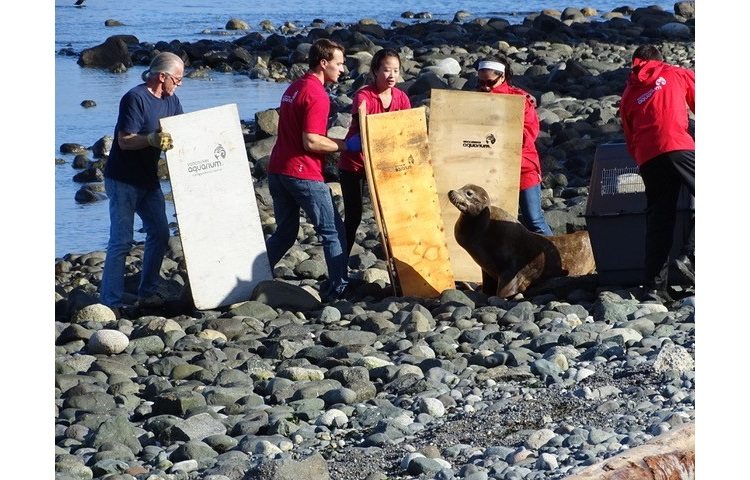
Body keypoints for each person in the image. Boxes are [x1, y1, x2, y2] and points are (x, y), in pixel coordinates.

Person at [265, 38, 361, 302]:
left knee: (285, 232)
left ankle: (255, 277)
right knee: (333, 231)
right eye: (339, 64)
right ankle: (339, 287)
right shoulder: (317, 94)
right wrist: (347, 145)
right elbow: (311, 141)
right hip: (302, 172)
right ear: (323, 63)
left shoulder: (294, 87)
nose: (342, 70)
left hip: (277, 170)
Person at [99, 52, 184, 315]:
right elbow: (125, 141)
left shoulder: (172, 100)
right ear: (163, 76)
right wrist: (151, 140)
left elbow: (182, 129)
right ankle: (109, 302)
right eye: (178, 79)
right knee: (121, 242)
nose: (179, 84)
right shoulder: (135, 98)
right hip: (123, 179)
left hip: (149, 180)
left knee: (160, 232)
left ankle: (147, 289)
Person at [619, 44, 695, 303]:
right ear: (660, 60)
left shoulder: (629, 92)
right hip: (676, 145)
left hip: (647, 157)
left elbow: (629, 136)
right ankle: (692, 256)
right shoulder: (675, 73)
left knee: (660, 220)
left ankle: (654, 289)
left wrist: (643, 159)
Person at [338, 48, 412, 255]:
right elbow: (364, 127)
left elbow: (406, 130)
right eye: (387, 70)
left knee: (392, 213)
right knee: (354, 216)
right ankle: (339, 263)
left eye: (396, 71)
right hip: (355, 164)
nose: (392, 76)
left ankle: (398, 260)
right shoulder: (364, 96)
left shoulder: (401, 98)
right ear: (375, 71)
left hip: (385, 164)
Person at [476, 56, 553, 236]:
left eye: (490, 82)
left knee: (533, 219)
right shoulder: (475, 98)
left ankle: (556, 256)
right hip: (490, 169)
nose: (485, 87)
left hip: (523, 167)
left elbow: (530, 133)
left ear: (502, 76)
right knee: (496, 222)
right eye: (481, 81)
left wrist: (500, 136)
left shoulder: (519, 100)